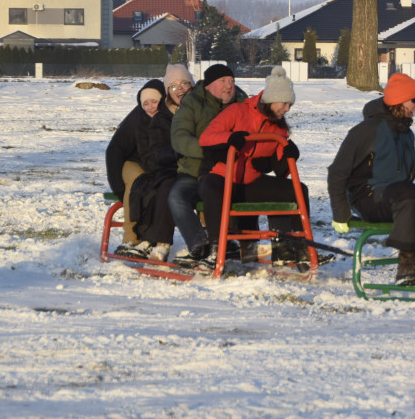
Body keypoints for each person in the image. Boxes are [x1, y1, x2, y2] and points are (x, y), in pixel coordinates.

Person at [198, 66, 309, 265]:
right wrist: (230, 137)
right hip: (222, 177)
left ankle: (302, 247)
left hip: (250, 180)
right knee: (213, 189)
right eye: (284, 104)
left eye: (289, 105)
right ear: (271, 99)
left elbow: (281, 169)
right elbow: (206, 138)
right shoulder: (237, 111)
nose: (287, 109)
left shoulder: (278, 125)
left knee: (298, 189)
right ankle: (216, 248)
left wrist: (289, 154)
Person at [328, 73, 415, 286]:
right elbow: (337, 171)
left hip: (399, 196)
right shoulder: (367, 130)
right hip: (369, 197)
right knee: (409, 194)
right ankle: (407, 266)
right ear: (399, 101)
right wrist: (340, 212)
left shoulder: (407, 133)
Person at [169, 64, 247, 269]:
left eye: (231, 81)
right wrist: (211, 151)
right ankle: (199, 246)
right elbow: (179, 138)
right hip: (195, 171)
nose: (229, 86)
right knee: (177, 197)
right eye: (223, 81)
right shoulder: (193, 103)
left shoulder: (242, 102)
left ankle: (242, 243)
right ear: (209, 85)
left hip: (232, 170)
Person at [120, 66, 196, 263]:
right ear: (168, 92)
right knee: (161, 187)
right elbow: (155, 151)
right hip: (171, 171)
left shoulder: (202, 110)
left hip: (198, 170)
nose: (180, 89)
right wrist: (179, 151)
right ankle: (157, 243)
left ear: (192, 85)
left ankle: (219, 244)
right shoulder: (161, 117)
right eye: (173, 86)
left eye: (184, 83)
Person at [106, 79, 164, 255]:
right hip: (134, 162)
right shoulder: (135, 120)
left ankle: (157, 240)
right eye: (145, 103)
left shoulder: (170, 117)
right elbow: (114, 150)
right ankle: (131, 239)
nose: (150, 107)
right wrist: (117, 187)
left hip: (159, 165)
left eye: (154, 102)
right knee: (137, 183)